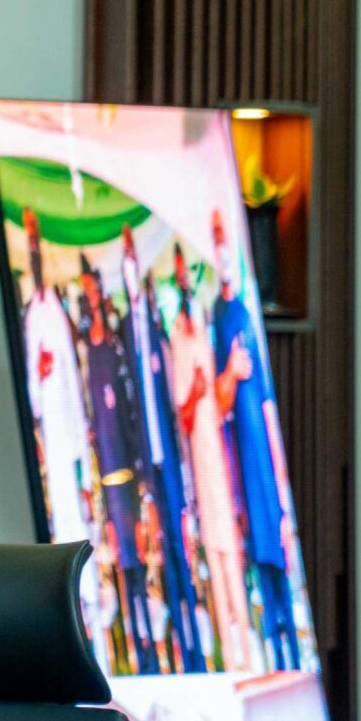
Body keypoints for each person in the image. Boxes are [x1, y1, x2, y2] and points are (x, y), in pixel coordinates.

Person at [210, 213, 302, 672]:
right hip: (241, 473)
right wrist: (229, 370)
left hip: (265, 471)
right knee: (261, 573)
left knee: (280, 565)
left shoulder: (247, 311)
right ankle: (276, 660)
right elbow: (219, 400)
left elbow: (266, 401)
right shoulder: (217, 317)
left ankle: (294, 658)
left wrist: (282, 482)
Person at [123, 232, 207, 670]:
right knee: (154, 549)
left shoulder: (159, 329)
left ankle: (194, 645)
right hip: (144, 464)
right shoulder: (125, 328)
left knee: (178, 547)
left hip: (171, 458)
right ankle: (171, 646)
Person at [169, 246, 253, 674]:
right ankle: (230, 655)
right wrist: (198, 391)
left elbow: (221, 402)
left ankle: (247, 649)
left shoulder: (203, 329)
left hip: (219, 456)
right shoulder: (176, 341)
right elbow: (183, 414)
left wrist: (220, 383)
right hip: (200, 460)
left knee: (231, 548)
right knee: (216, 553)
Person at [81, 265, 160, 675]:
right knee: (120, 562)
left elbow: (128, 410)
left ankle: (147, 640)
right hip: (106, 478)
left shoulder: (113, 350)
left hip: (126, 473)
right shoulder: (88, 356)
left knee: (137, 558)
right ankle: (132, 640)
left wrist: (141, 470)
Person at [19, 211, 97, 546]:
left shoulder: (55, 310)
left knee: (79, 494)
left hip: (68, 414)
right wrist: (39, 373)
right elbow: (33, 390)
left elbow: (69, 365)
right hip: (51, 421)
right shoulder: (32, 314)